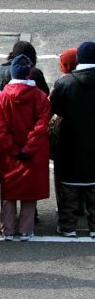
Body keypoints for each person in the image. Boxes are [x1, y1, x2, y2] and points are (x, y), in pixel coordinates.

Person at [0, 55, 51, 240]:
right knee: (29, 191)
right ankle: (26, 229)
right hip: (33, 154)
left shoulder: (1, 98)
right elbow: (41, 126)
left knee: (9, 191)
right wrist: (28, 149)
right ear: (29, 73)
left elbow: (0, 129)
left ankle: (7, 229)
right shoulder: (40, 97)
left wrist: (13, 149)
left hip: (9, 154)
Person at [50, 41, 95, 237]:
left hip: (69, 143)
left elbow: (54, 111)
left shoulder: (65, 84)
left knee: (68, 184)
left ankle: (68, 226)